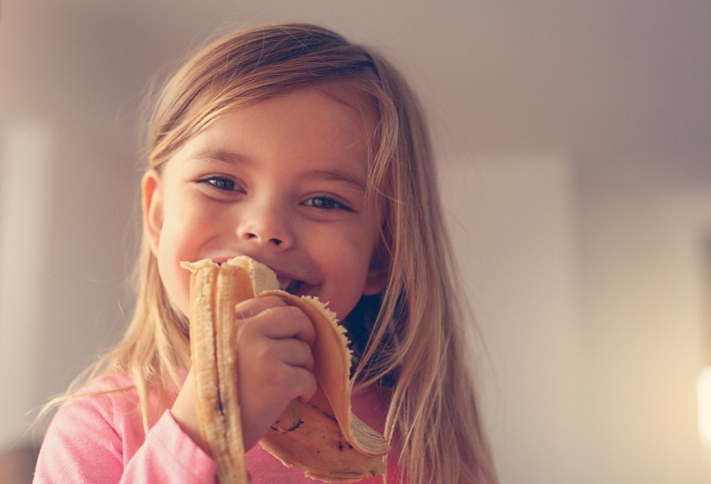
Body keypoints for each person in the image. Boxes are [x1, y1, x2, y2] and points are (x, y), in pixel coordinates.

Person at [33, 23, 499, 484]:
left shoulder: (418, 440)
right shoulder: (99, 429)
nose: (265, 228)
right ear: (156, 216)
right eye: (221, 182)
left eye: (324, 201)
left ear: (381, 256)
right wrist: (200, 432)